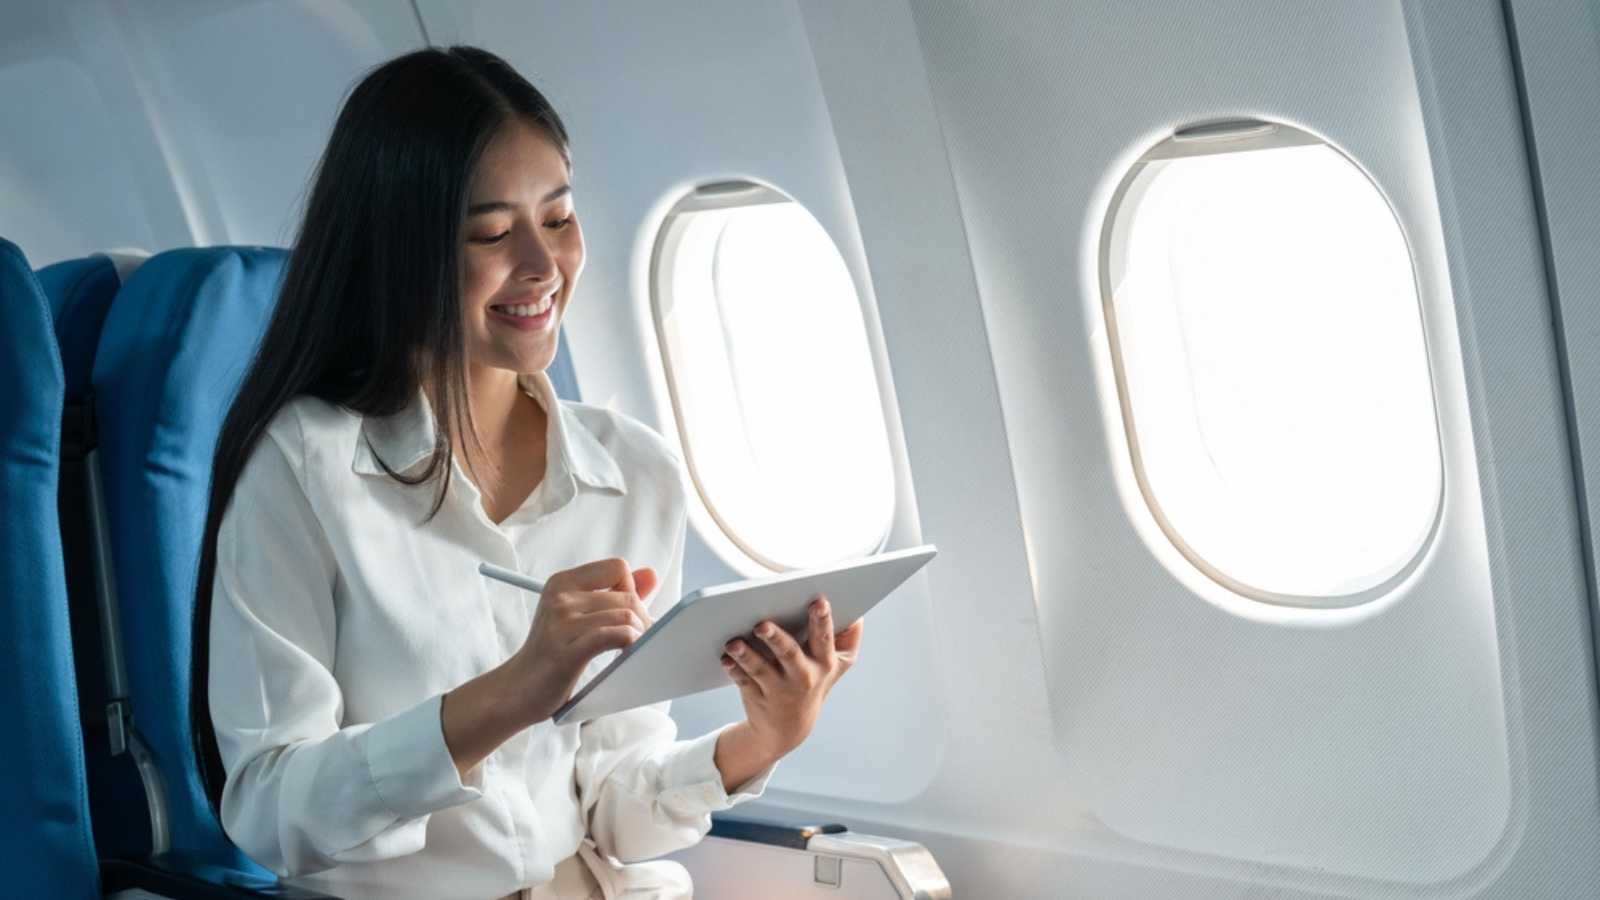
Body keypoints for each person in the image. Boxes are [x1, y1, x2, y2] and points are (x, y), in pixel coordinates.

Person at [189, 45, 863, 900]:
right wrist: (513, 692)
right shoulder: (305, 466)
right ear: (400, 248)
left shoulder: (632, 472)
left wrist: (761, 739)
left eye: (560, 217)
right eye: (493, 233)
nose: (544, 267)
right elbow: (272, 810)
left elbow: (615, 805)